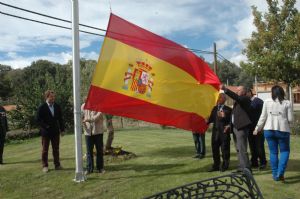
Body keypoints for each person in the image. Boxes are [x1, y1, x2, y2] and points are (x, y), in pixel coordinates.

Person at [254, 85, 293, 182]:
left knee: (273, 152)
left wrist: (257, 128)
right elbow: (290, 119)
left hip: (269, 130)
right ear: (282, 92)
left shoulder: (267, 101)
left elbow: (263, 117)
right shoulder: (287, 103)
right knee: (285, 151)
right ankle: (280, 172)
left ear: (272, 93)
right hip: (283, 130)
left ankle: (275, 175)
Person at [221, 85, 252, 172]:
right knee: (238, 149)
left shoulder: (245, 99)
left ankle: (246, 168)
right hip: (235, 127)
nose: (237, 91)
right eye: (237, 90)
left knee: (242, 149)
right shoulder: (238, 101)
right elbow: (235, 115)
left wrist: (225, 89)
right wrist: (229, 125)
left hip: (241, 128)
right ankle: (241, 167)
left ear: (244, 91)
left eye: (239, 90)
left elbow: (237, 97)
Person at [36, 90, 64, 173]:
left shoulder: (57, 106)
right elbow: (38, 120)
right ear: (47, 97)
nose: (53, 98)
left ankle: (57, 165)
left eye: (54, 96)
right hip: (46, 132)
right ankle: (45, 166)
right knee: (45, 150)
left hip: (55, 132)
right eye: (51, 97)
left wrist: (62, 130)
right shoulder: (42, 107)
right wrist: (46, 126)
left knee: (56, 149)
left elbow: (60, 119)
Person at [207, 93, 232, 172]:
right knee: (215, 150)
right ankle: (216, 165)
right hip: (215, 133)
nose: (219, 99)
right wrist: (205, 120)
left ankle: (225, 165)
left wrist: (225, 117)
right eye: (218, 97)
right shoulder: (214, 108)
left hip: (224, 133)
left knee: (225, 149)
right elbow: (210, 119)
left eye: (221, 97)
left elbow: (232, 121)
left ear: (224, 100)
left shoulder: (228, 109)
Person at [246, 88, 267, 169]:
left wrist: (262, 126)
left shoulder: (258, 101)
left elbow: (264, 114)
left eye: (245, 93)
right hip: (250, 127)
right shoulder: (247, 102)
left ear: (249, 92)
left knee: (259, 146)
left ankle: (263, 162)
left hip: (258, 127)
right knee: (252, 146)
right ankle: (254, 162)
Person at [81, 103, 105, 174]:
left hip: (98, 132)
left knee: (99, 151)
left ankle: (100, 168)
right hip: (88, 132)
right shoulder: (83, 106)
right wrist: (82, 121)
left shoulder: (100, 106)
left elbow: (96, 117)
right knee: (89, 152)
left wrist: (87, 119)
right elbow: (81, 116)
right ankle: (89, 169)